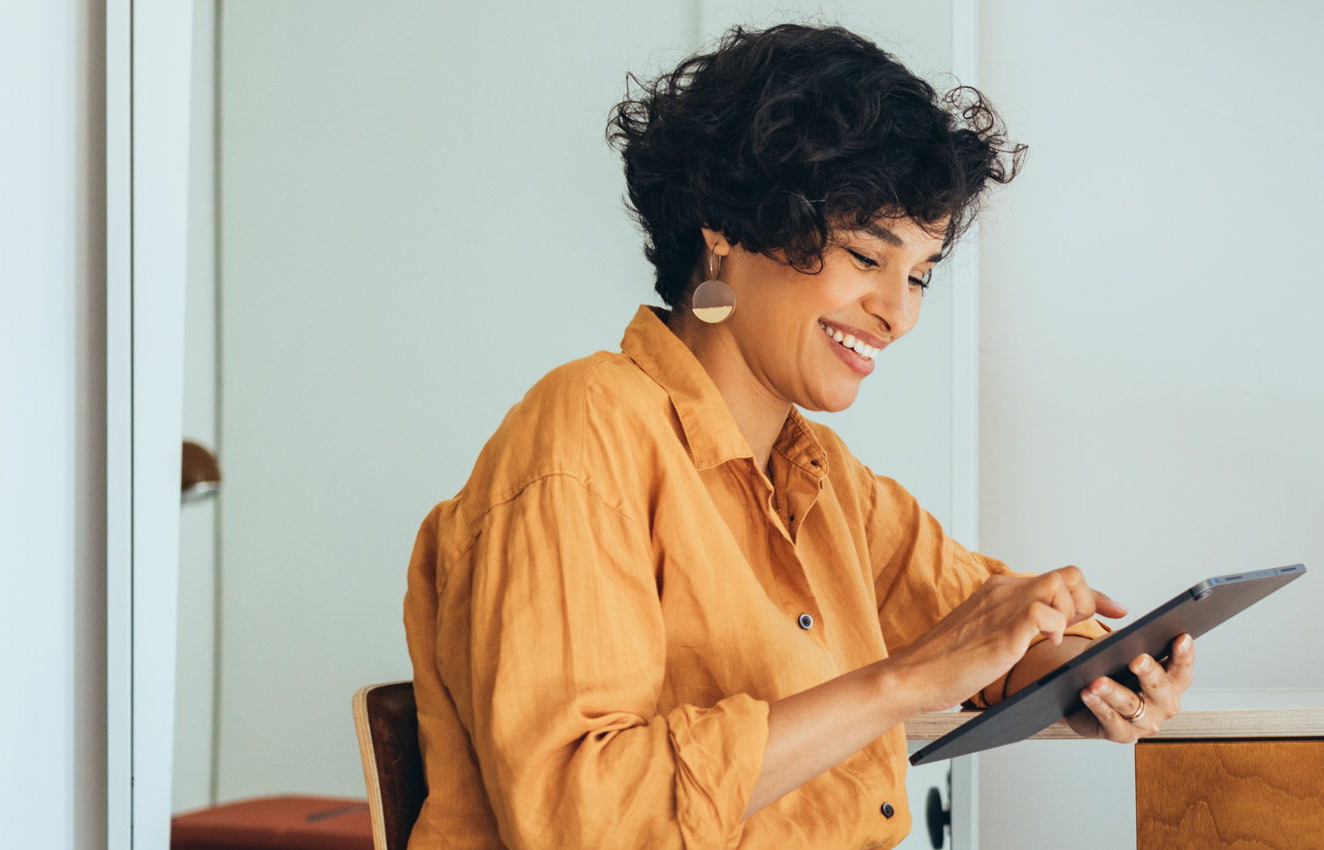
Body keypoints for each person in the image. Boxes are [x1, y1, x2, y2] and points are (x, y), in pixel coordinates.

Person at [401, 23, 1194, 849]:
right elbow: (586, 818)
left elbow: (987, 629)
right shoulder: (582, 436)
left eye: (919, 275)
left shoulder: (822, 479)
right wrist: (903, 682)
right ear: (725, 228)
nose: (898, 313)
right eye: (864, 255)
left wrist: (1102, 668)